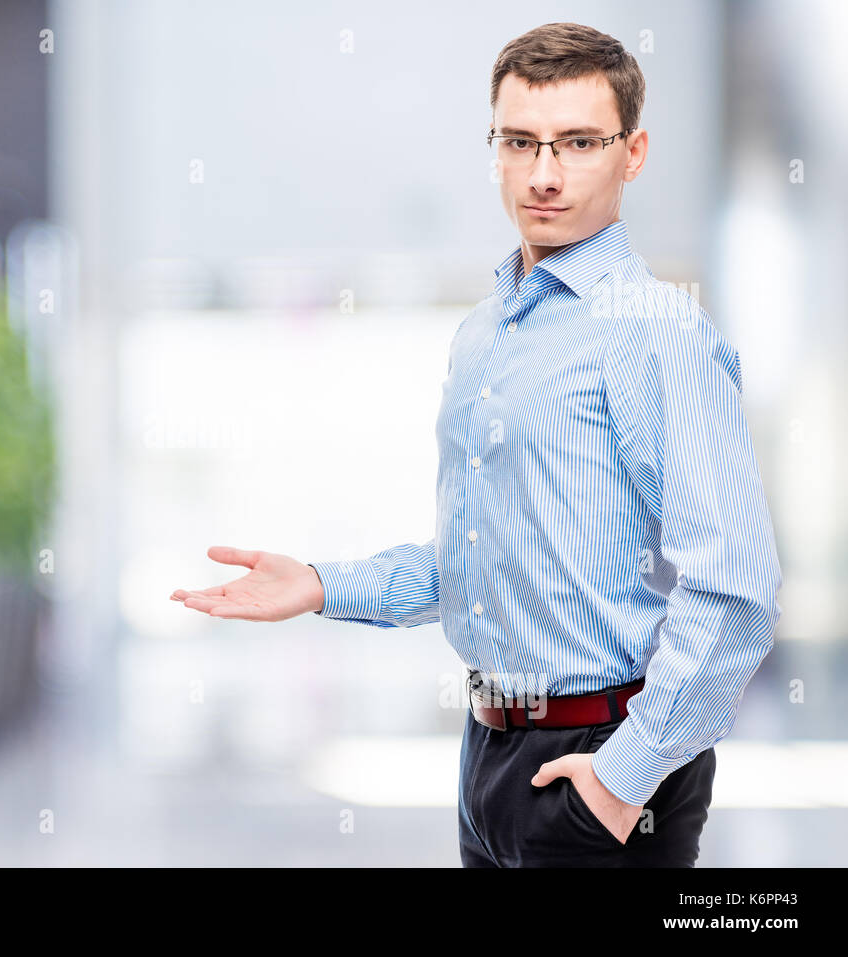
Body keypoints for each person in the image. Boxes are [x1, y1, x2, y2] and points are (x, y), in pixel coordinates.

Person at [169, 21, 782, 867]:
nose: (544, 173)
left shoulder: (655, 333)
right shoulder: (485, 334)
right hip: (488, 753)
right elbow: (481, 561)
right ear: (493, 147)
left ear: (632, 153)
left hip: (604, 762)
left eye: (577, 143)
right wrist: (320, 584)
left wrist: (622, 776)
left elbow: (736, 587)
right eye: (520, 141)